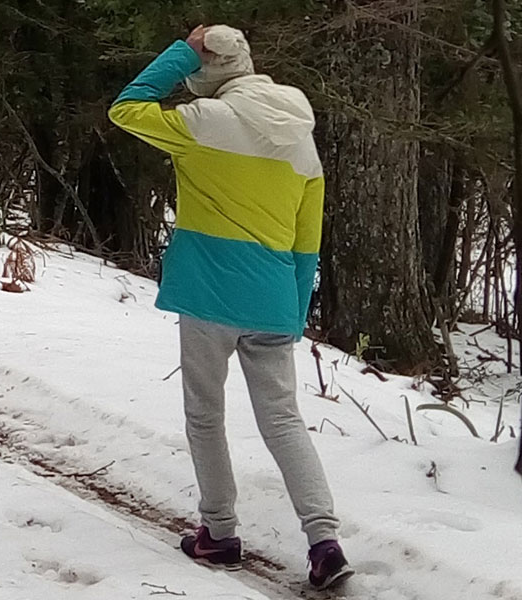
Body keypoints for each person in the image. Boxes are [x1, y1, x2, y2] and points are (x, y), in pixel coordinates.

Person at [109, 25, 352, 591]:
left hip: (209, 293)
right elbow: (306, 239)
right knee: (285, 421)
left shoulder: (201, 124)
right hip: (272, 296)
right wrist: (293, 311)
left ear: (204, 70)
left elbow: (126, 108)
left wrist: (178, 53)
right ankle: (324, 542)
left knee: (205, 414)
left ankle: (218, 534)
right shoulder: (299, 135)